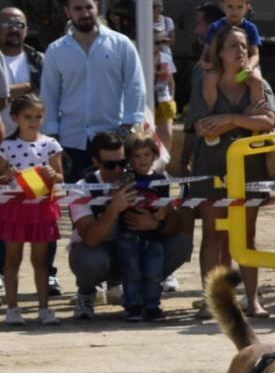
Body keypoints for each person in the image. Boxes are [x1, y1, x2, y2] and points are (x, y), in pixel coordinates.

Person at [189, 25, 275, 319]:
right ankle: (211, 300)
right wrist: (243, 121)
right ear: (220, 52)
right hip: (212, 165)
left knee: (246, 235)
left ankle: (252, 300)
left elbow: (267, 121)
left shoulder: (257, 82)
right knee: (213, 234)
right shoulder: (208, 78)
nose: (239, 51)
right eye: (232, 46)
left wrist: (228, 118)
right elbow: (203, 126)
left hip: (249, 168)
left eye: (243, 45)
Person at [65, 132, 194, 320]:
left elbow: (176, 225)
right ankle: (86, 292)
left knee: (181, 243)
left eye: (122, 163)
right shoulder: (82, 187)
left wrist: (156, 222)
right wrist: (112, 210)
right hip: (100, 251)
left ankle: (143, 295)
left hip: (139, 248)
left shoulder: (143, 179)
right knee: (89, 260)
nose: (118, 170)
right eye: (110, 165)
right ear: (96, 161)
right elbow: (90, 239)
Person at [41, 0, 147, 178]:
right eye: (78, 9)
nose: (85, 13)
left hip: (113, 139)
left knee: (116, 201)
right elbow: (49, 94)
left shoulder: (121, 44)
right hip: (72, 140)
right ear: (67, 11)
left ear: (96, 6)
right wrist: (52, 136)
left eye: (88, 7)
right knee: (77, 203)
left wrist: (127, 126)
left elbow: (136, 85)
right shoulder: (56, 51)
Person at [0, 93, 62, 326]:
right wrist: (6, 177)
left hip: (42, 208)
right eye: (28, 116)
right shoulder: (6, 146)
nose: (33, 121)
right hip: (15, 209)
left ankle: (44, 308)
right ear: (15, 118)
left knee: (41, 260)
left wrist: (52, 175)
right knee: (12, 259)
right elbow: (1, 178)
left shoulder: (51, 144)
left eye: (38, 116)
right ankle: (13, 308)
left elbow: (60, 176)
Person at [116, 133, 171, 322]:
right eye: (137, 156)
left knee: (154, 273)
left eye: (146, 155)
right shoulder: (126, 179)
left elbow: (165, 206)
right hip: (128, 234)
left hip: (153, 235)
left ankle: (152, 305)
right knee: (131, 272)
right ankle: (133, 305)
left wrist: (160, 215)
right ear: (130, 158)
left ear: (154, 155)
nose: (142, 160)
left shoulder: (161, 179)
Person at [199, 0, 266, 109]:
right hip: (220, 66)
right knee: (208, 78)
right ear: (222, 6)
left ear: (247, 8)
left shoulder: (251, 28)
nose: (234, 11)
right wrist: (205, 63)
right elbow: (205, 53)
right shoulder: (215, 27)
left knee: (257, 80)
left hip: (244, 66)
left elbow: (255, 54)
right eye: (230, 6)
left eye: (239, 7)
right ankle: (210, 110)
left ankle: (257, 110)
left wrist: (250, 67)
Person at [1, 6, 43, 138]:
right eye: (7, 24)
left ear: (26, 30)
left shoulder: (41, 61)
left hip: (34, 144)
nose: (13, 29)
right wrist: (29, 87)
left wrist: (6, 92)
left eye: (19, 24)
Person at [152, 32, 177, 157]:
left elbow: (172, 81)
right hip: (149, 101)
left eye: (163, 42)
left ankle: (164, 165)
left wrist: (172, 98)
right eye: (157, 42)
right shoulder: (142, 57)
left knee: (167, 136)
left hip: (164, 100)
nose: (160, 46)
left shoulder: (166, 57)